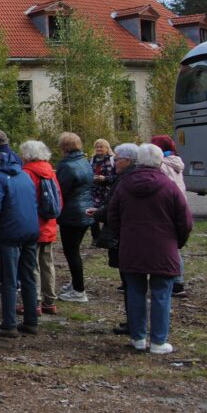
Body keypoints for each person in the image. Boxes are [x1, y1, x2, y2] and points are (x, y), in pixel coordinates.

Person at [108, 144, 192, 354]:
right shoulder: (169, 185)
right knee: (161, 294)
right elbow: (185, 220)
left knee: (135, 291)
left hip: (132, 245)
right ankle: (158, 341)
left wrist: (123, 235)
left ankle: (137, 337)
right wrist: (177, 241)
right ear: (159, 161)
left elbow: (113, 215)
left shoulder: (125, 184)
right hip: (163, 246)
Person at [0, 130, 39, 338]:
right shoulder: (24, 174)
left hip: (10, 230)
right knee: (28, 276)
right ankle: (31, 320)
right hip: (30, 228)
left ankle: (9, 324)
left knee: (8, 278)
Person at [89, 142, 139, 335]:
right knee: (136, 284)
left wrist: (99, 214)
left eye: (117, 159)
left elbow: (113, 209)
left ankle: (135, 323)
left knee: (131, 284)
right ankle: (137, 323)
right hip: (137, 237)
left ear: (127, 160)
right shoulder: (140, 178)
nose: (114, 162)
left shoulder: (124, 181)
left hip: (124, 237)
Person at [19, 140, 61, 315]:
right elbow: (58, 198)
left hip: (33, 223)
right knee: (48, 263)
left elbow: (24, 201)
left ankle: (34, 302)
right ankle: (50, 301)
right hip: (49, 222)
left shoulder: (27, 173)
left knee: (31, 264)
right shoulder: (50, 172)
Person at [55, 132, 94, 303]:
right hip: (86, 210)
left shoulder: (66, 165)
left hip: (72, 213)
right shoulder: (84, 161)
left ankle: (79, 290)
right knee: (74, 251)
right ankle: (76, 283)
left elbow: (61, 189)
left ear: (64, 147)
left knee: (72, 252)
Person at [151, 135, 188, 297]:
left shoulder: (162, 165)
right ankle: (178, 281)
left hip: (167, 208)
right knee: (173, 246)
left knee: (167, 246)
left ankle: (174, 282)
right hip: (179, 206)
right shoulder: (176, 161)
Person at [90, 139, 116, 242]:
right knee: (93, 214)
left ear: (107, 148)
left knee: (108, 213)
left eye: (101, 147)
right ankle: (95, 237)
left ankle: (108, 235)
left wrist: (105, 178)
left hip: (108, 191)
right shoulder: (92, 160)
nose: (99, 149)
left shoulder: (113, 160)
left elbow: (117, 176)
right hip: (95, 191)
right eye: (97, 147)